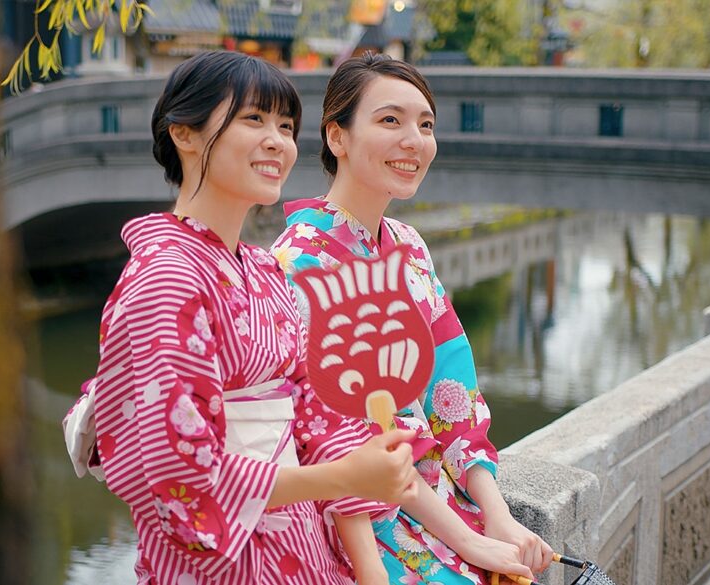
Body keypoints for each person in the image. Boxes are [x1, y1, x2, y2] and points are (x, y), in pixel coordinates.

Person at [66, 50, 423, 585]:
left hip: (298, 540)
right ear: (184, 132)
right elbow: (182, 469)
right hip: (220, 561)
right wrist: (340, 476)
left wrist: (360, 468)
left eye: (285, 125)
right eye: (253, 120)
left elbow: (311, 408)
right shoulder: (165, 280)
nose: (277, 141)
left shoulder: (263, 270)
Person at [271, 53, 554, 584]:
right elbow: (354, 437)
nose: (415, 141)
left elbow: (452, 390)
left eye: (426, 125)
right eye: (390, 120)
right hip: (362, 514)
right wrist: (471, 541)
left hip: (436, 498)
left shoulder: (409, 245)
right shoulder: (302, 264)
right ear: (337, 136)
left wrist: (497, 515)